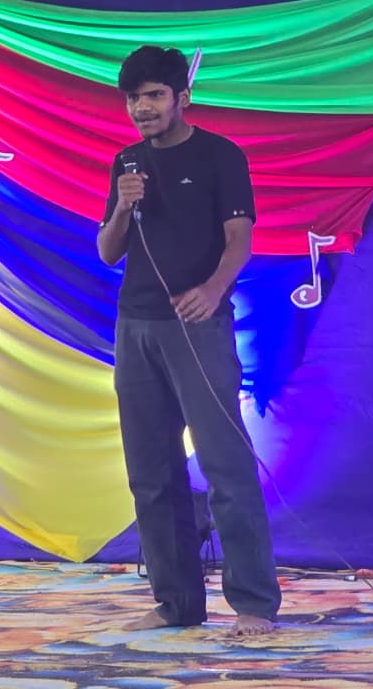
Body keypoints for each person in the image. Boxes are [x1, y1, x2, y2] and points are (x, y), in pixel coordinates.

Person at [97, 44, 281, 637]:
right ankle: (176, 603)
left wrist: (212, 290)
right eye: (133, 98)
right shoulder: (126, 162)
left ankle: (253, 602)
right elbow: (108, 251)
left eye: (154, 95)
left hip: (199, 326)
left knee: (226, 464)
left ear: (183, 97)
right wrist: (123, 207)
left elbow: (239, 240)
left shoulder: (220, 156)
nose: (142, 108)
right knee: (150, 472)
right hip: (136, 328)